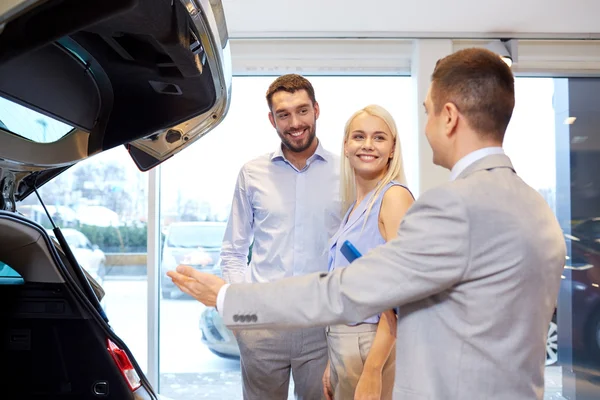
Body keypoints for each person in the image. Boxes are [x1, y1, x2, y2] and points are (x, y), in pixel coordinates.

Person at [168, 48, 567, 400]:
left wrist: (231, 300)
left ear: (449, 118)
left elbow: (350, 291)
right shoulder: (533, 207)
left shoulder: (450, 205)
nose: (425, 128)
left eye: (427, 112)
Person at [217, 74, 341, 400]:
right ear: (272, 119)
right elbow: (234, 249)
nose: (295, 122)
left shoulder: (346, 173)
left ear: (316, 110)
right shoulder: (252, 172)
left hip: (322, 327)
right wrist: (242, 317)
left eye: (302, 111)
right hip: (262, 325)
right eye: (283, 114)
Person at [322, 105, 414, 400]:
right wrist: (332, 359)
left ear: (392, 149)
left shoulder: (394, 198)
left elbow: (401, 295)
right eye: (359, 137)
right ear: (346, 147)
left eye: (379, 138)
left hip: (372, 345)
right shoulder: (354, 208)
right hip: (346, 342)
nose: (367, 145)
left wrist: (373, 369)